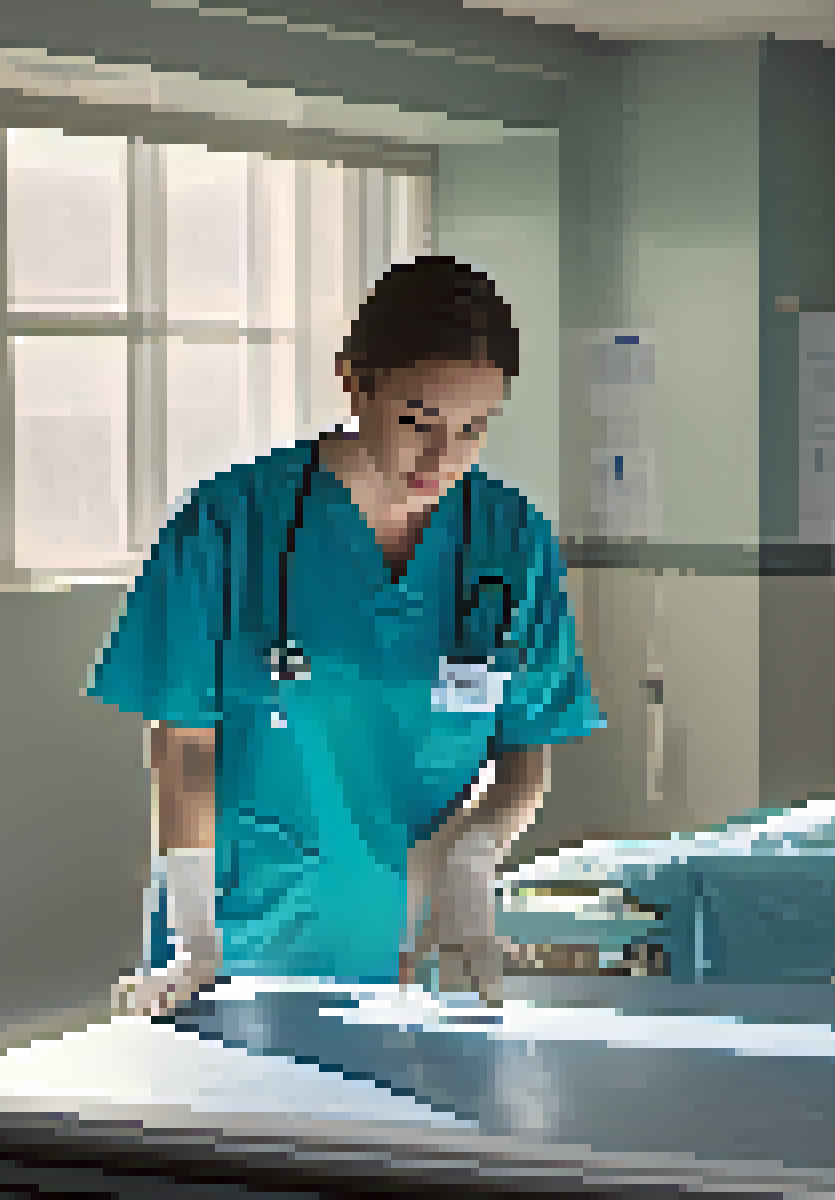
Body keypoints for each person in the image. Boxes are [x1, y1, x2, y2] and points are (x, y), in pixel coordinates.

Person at [88, 256, 605, 1017]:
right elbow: (185, 748)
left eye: (473, 429)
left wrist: (470, 858)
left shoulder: (511, 539)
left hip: (419, 950)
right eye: (418, 422)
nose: (443, 459)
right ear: (354, 381)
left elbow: (526, 750)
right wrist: (196, 937)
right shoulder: (229, 526)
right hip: (245, 943)